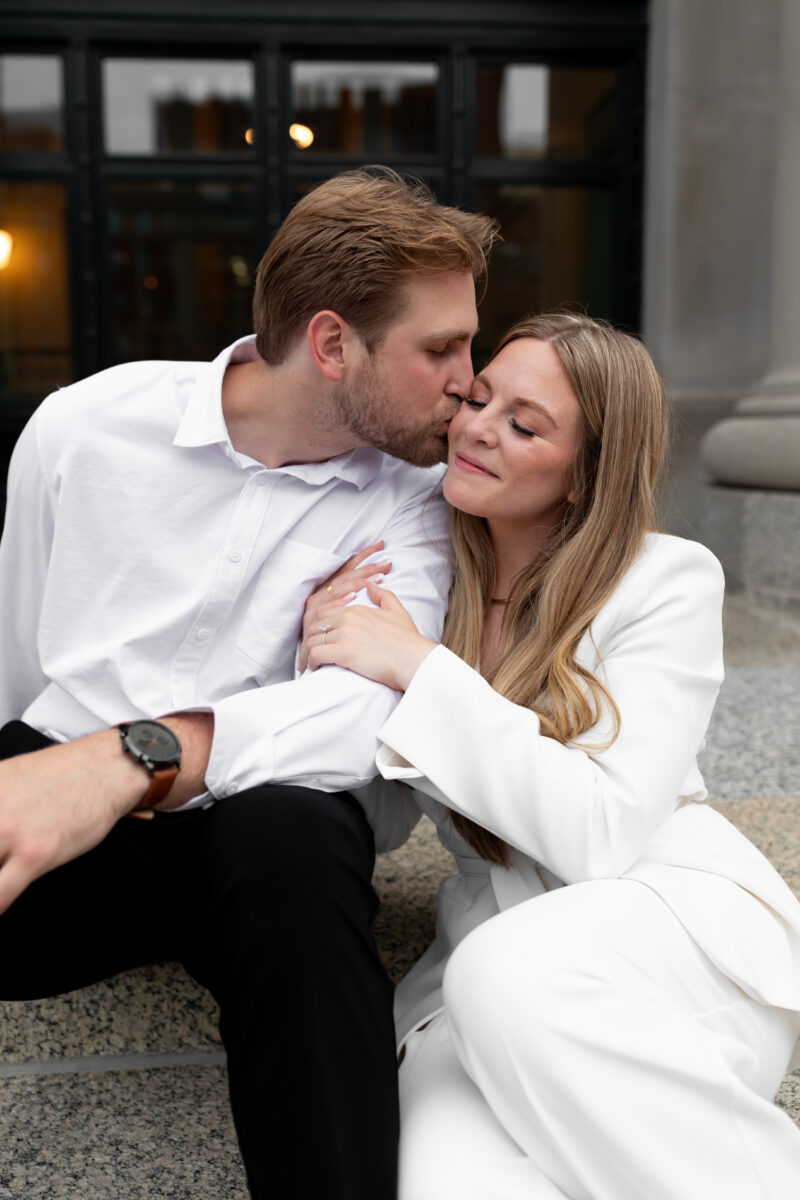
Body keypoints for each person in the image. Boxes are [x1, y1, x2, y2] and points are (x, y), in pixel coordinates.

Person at [0, 167, 497, 1199]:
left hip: (252, 850)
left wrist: (133, 757)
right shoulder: (82, 428)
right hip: (65, 839)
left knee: (293, 841)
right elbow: (21, 650)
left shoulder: (417, 499)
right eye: (439, 349)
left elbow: (370, 715)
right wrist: (50, 773)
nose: (469, 379)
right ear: (329, 344)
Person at [301, 311, 800, 1199]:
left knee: (510, 973)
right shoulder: (425, 575)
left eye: (526, 425)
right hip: (483, 964)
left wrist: (418, 670)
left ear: (585, 476)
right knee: (443, 1176)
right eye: (479, 397)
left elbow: (598, 834)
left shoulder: (664, 580)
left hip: (667, 937)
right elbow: (373, 817)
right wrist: (323, 672)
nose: (477, 427)